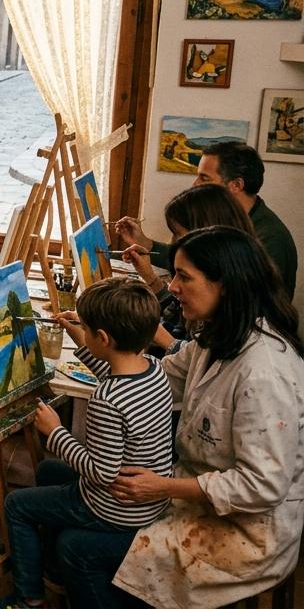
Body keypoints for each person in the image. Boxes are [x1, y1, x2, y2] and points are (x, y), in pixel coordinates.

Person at [53, 227, 304, 607]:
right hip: (192, 490)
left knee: (75, 547)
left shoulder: (265, 372)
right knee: (63, 484)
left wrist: (164, 487)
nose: (171, 287)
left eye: (183, 277)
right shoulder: (217, 337)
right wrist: (90, 340)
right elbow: (151, 378)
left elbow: (262, 486)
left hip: (244, 530)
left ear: (225, 285)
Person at [0, 277, 173, 609]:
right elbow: (111, 369)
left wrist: (55, 432)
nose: (82, 332)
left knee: (17, 505)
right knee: (49, 471)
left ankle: (28, 599)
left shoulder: (107, 399)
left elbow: (101, 472)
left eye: (86, 329)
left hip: (113, 507)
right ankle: (52, 569)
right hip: (146, 503)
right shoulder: (154, 369)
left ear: (103, 338)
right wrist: (76, 333)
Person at [115, 141, 296, 296]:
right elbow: (194, 259)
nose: (195, 184)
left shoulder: (270, 239)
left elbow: (240, 305)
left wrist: (155, 283)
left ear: (236, 185)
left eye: (204, 178)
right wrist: (146, 244)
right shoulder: (225, 219)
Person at [123, 184, 256, 348]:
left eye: (178, 234)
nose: (173, 242)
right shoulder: (217, 295)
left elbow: (192, 355)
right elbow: (178, 313)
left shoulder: (236, 322)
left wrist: (154, 331)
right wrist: (149, 276)